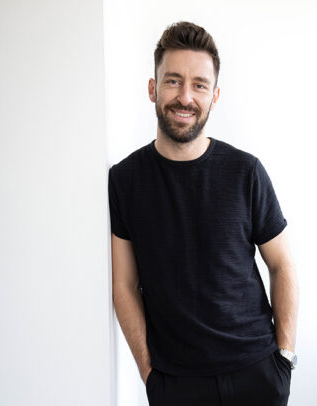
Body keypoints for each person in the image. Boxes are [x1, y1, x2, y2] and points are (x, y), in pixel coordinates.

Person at [108, 21, 299, 406]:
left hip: (258, 374)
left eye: (199, 85)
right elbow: (124, 284)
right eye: (173, 81)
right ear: (152, 88)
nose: (185, 97)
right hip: (177, 384)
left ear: (214, 96)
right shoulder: (125, 180)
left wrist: (285, 358)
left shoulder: (246, 172)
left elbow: (282, 265)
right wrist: (150, 376)